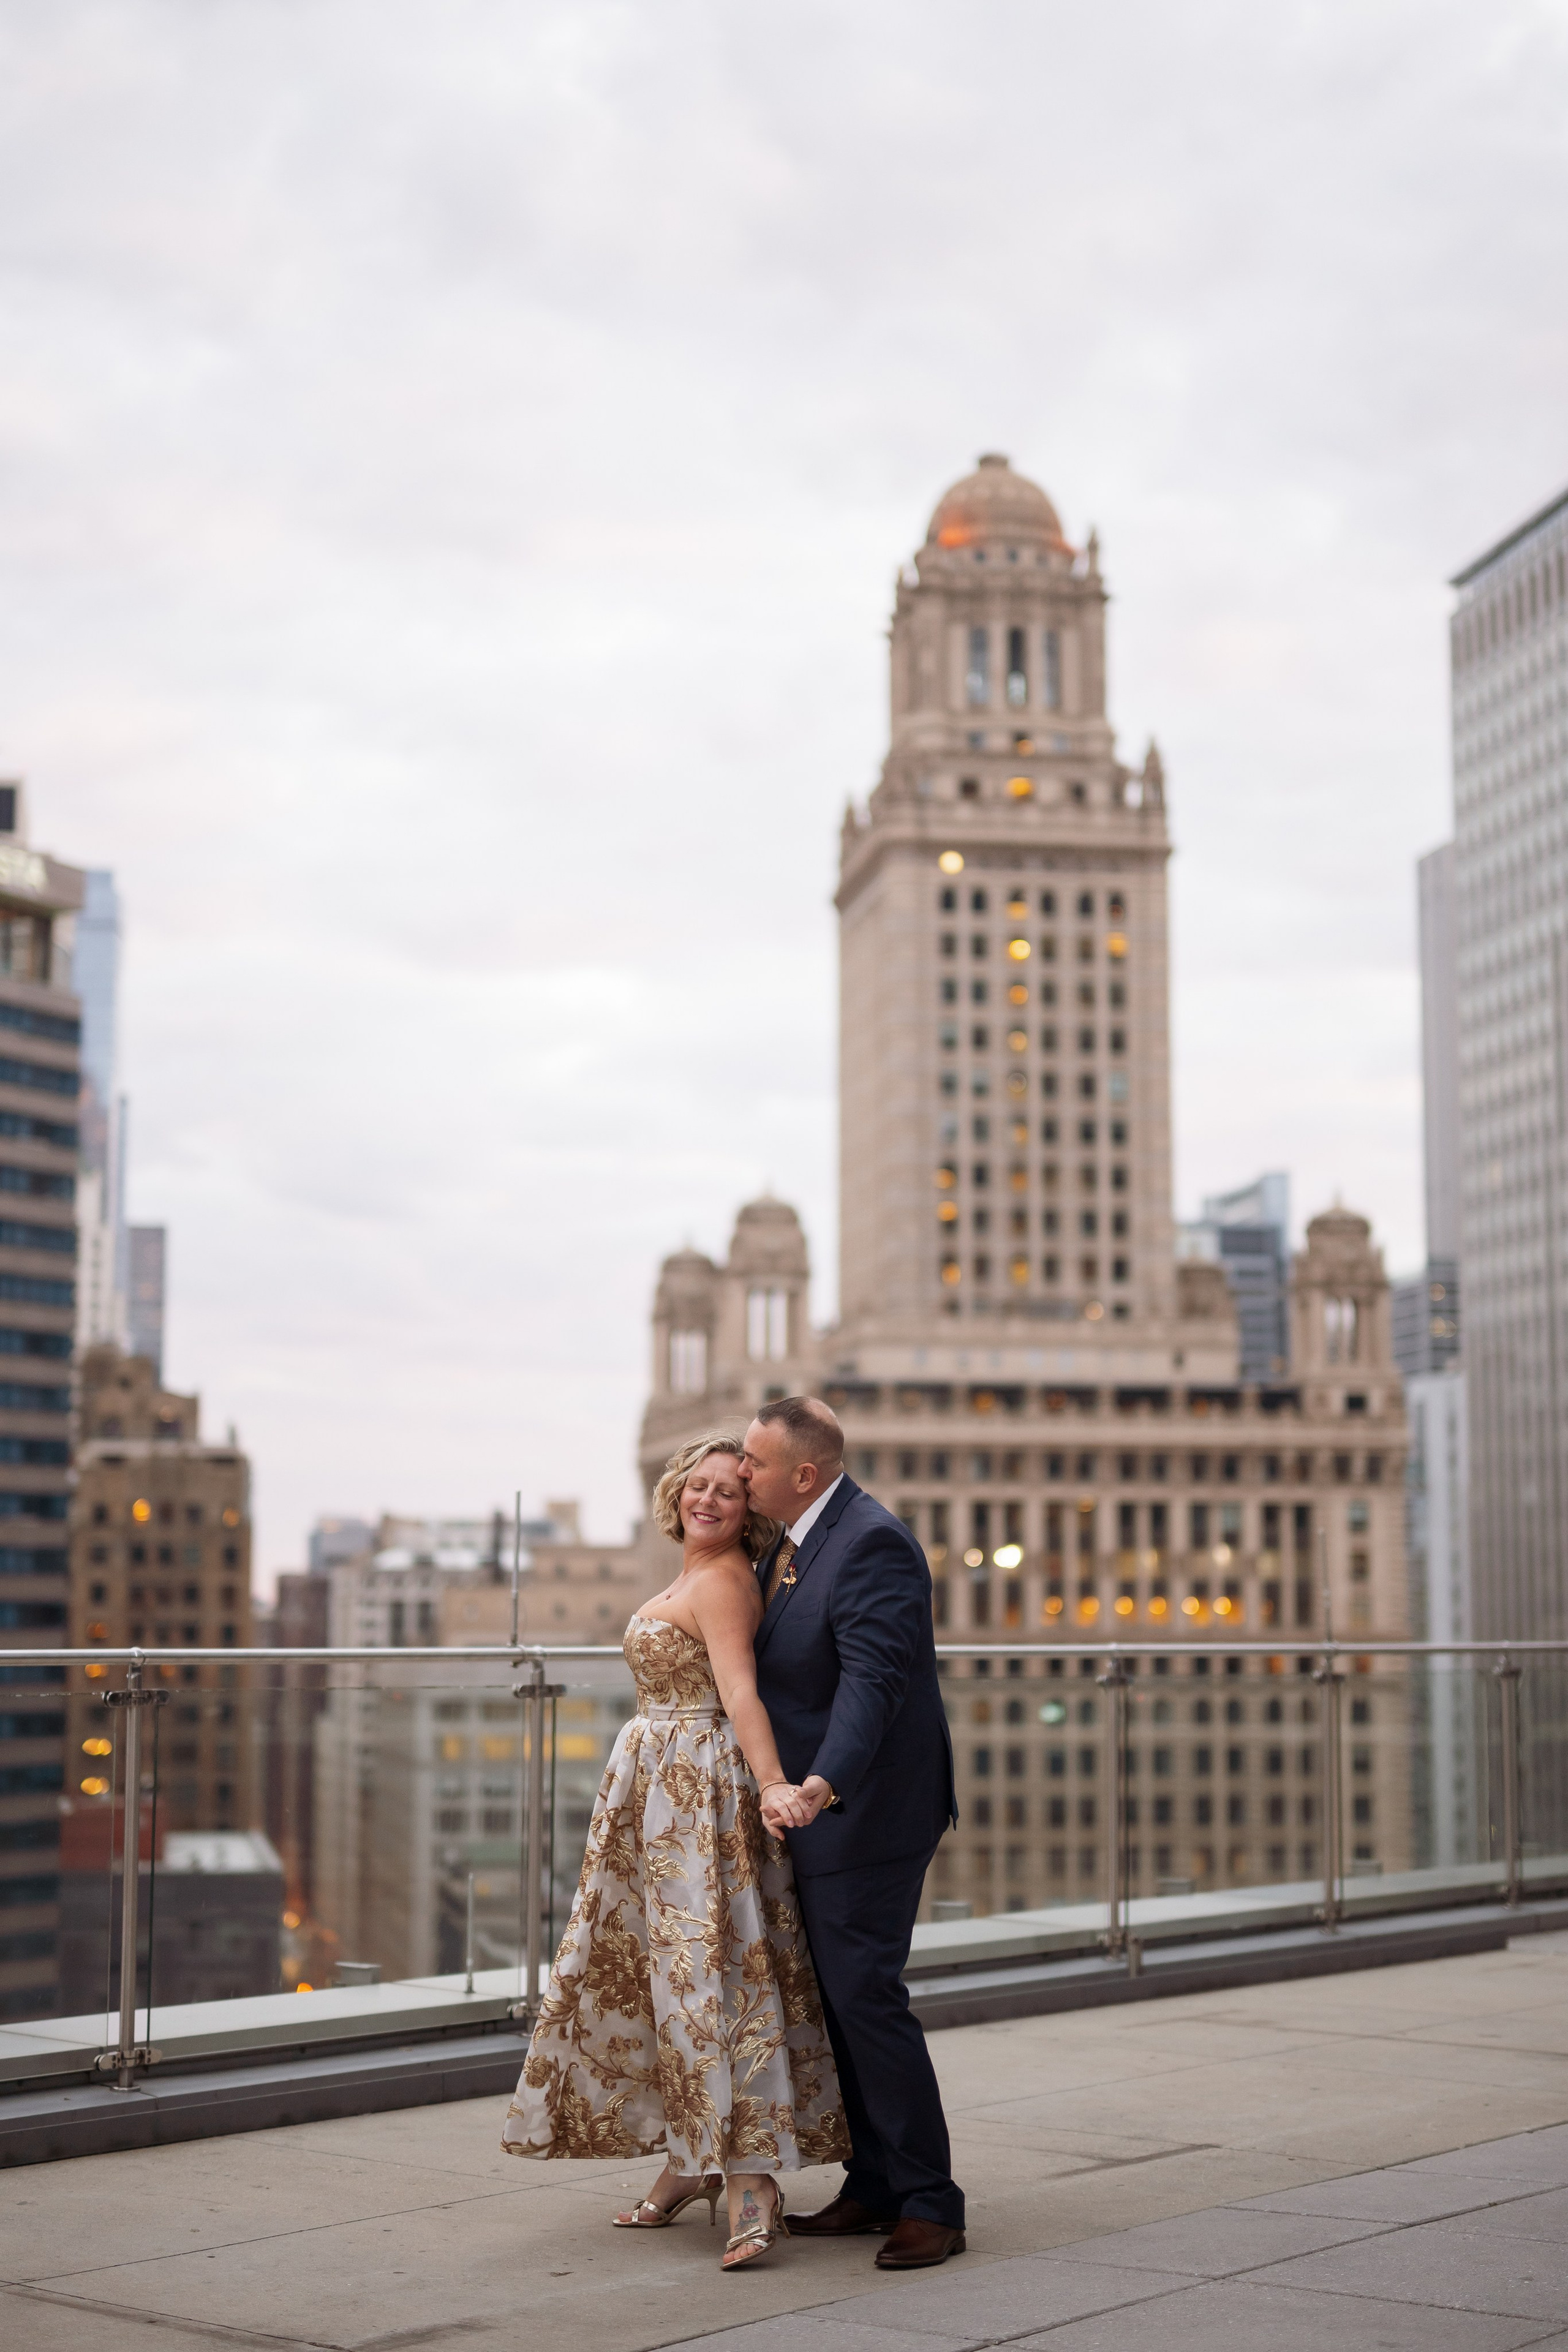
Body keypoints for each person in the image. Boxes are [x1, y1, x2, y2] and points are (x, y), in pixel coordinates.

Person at [502, 1431, 850, 2271]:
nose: (710, 1500)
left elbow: (739, 1693)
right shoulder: (693, 1572)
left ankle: (752, 2178)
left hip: (700, 1797)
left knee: (715, 1977)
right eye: (699, 1486)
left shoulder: (726, 1581)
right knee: (668, 1977)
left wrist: (774, 1784)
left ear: (749, 1507)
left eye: (731, 1491)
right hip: (658, 1795)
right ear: (676, 1492)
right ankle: (694, 2160)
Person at [739, 1395, 965, 2270]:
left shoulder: (871, 1540)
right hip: (819, 1811)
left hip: (865, 1813)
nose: (743, 1472)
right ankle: (873, 2184)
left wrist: (823, 1786)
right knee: (837, 2002)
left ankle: (931, 2201)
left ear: (804, 1474)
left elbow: (873, 1682)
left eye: (755, 1463)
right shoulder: (795, 1544)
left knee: (867, 1999)